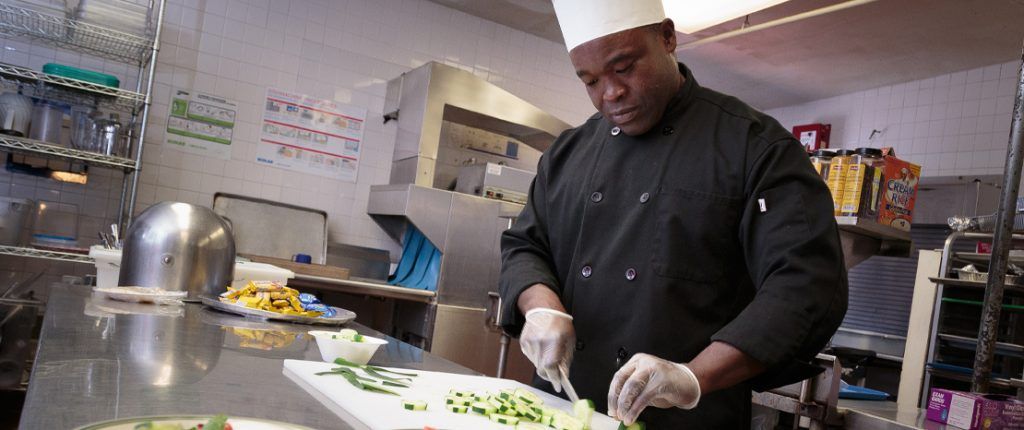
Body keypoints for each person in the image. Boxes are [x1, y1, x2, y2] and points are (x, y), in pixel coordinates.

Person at [497, 0, 849, 427]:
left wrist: (692, 376)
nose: (610, 94)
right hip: (559, 412)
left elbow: (806, 284)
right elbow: (525, 244)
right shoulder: (567, 154)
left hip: (689, 419)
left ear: (667, 37)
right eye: (589, 81)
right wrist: (540, 307)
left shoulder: (754, 147)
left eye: (623, 68)